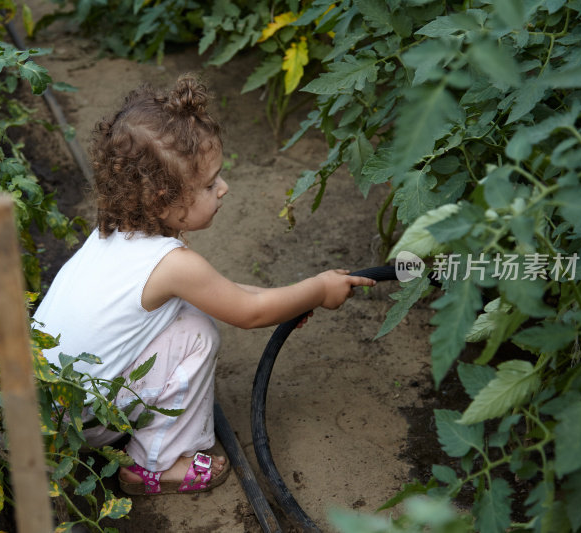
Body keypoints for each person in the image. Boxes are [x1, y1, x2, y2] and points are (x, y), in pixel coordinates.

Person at [33, 74, 375, 496]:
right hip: (75, 428)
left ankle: (136, 432)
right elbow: (248, 313)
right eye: (210, 185)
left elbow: (225, 290)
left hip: (42, 407)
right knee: (197, 332)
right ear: (161, 198)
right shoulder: (175, 265)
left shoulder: (113, 232)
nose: (224, 188)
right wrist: (318, 292)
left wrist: (302, 293)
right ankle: (156, 466)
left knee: (189, 312)